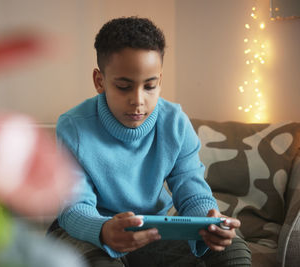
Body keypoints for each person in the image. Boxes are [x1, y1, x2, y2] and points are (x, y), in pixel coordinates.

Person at [48, 17, 251, 266]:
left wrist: (208, 222)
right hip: (89, 232)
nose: (138, 100)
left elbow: (192, 192)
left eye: (150, 86)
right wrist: (103, 231)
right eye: (124, 87)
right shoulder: (74, 127)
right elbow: (74, 206)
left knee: (232, 248)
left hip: (151, 232)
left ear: (160, 81)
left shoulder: (175, 123)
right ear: (99, 81)